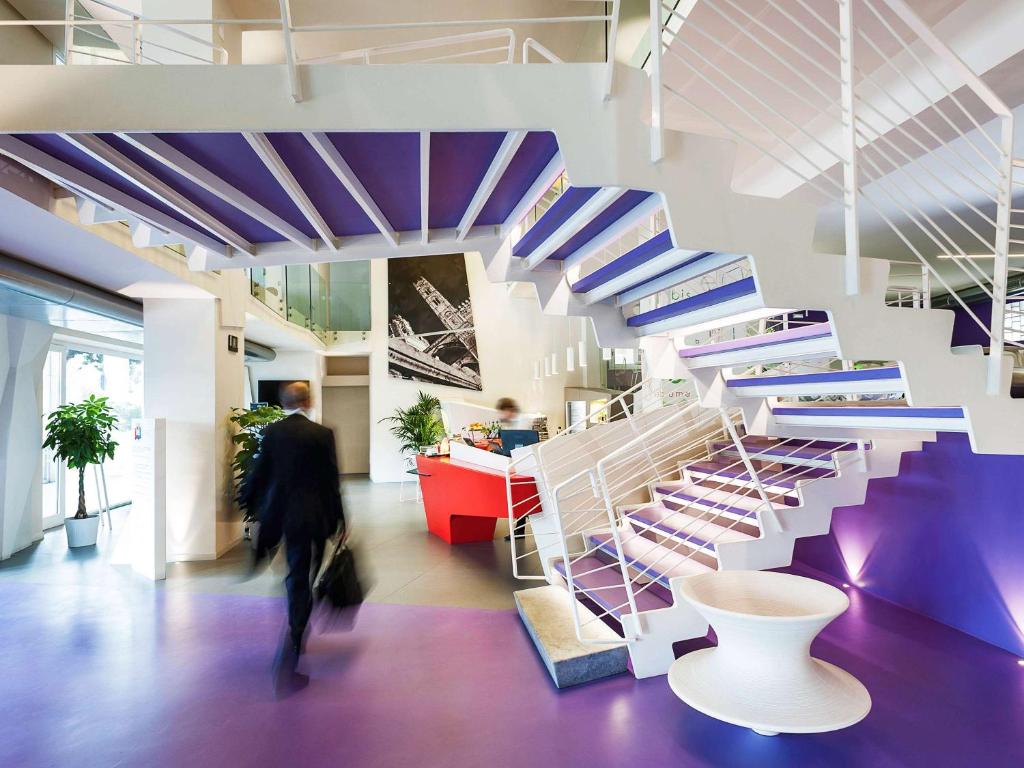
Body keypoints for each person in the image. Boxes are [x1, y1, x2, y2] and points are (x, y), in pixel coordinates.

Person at [242, 381, 344, 672]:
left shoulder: (272, 432)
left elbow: (260, 472)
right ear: (308, 402)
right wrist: (340, 519)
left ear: (285, 404)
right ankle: (298, 625)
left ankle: (297, 620)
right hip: (316, 515)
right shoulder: (323, 434)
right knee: (307, 569)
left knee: (296, 571)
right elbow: (332, 481)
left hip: (284, 515)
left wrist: (248, 502)